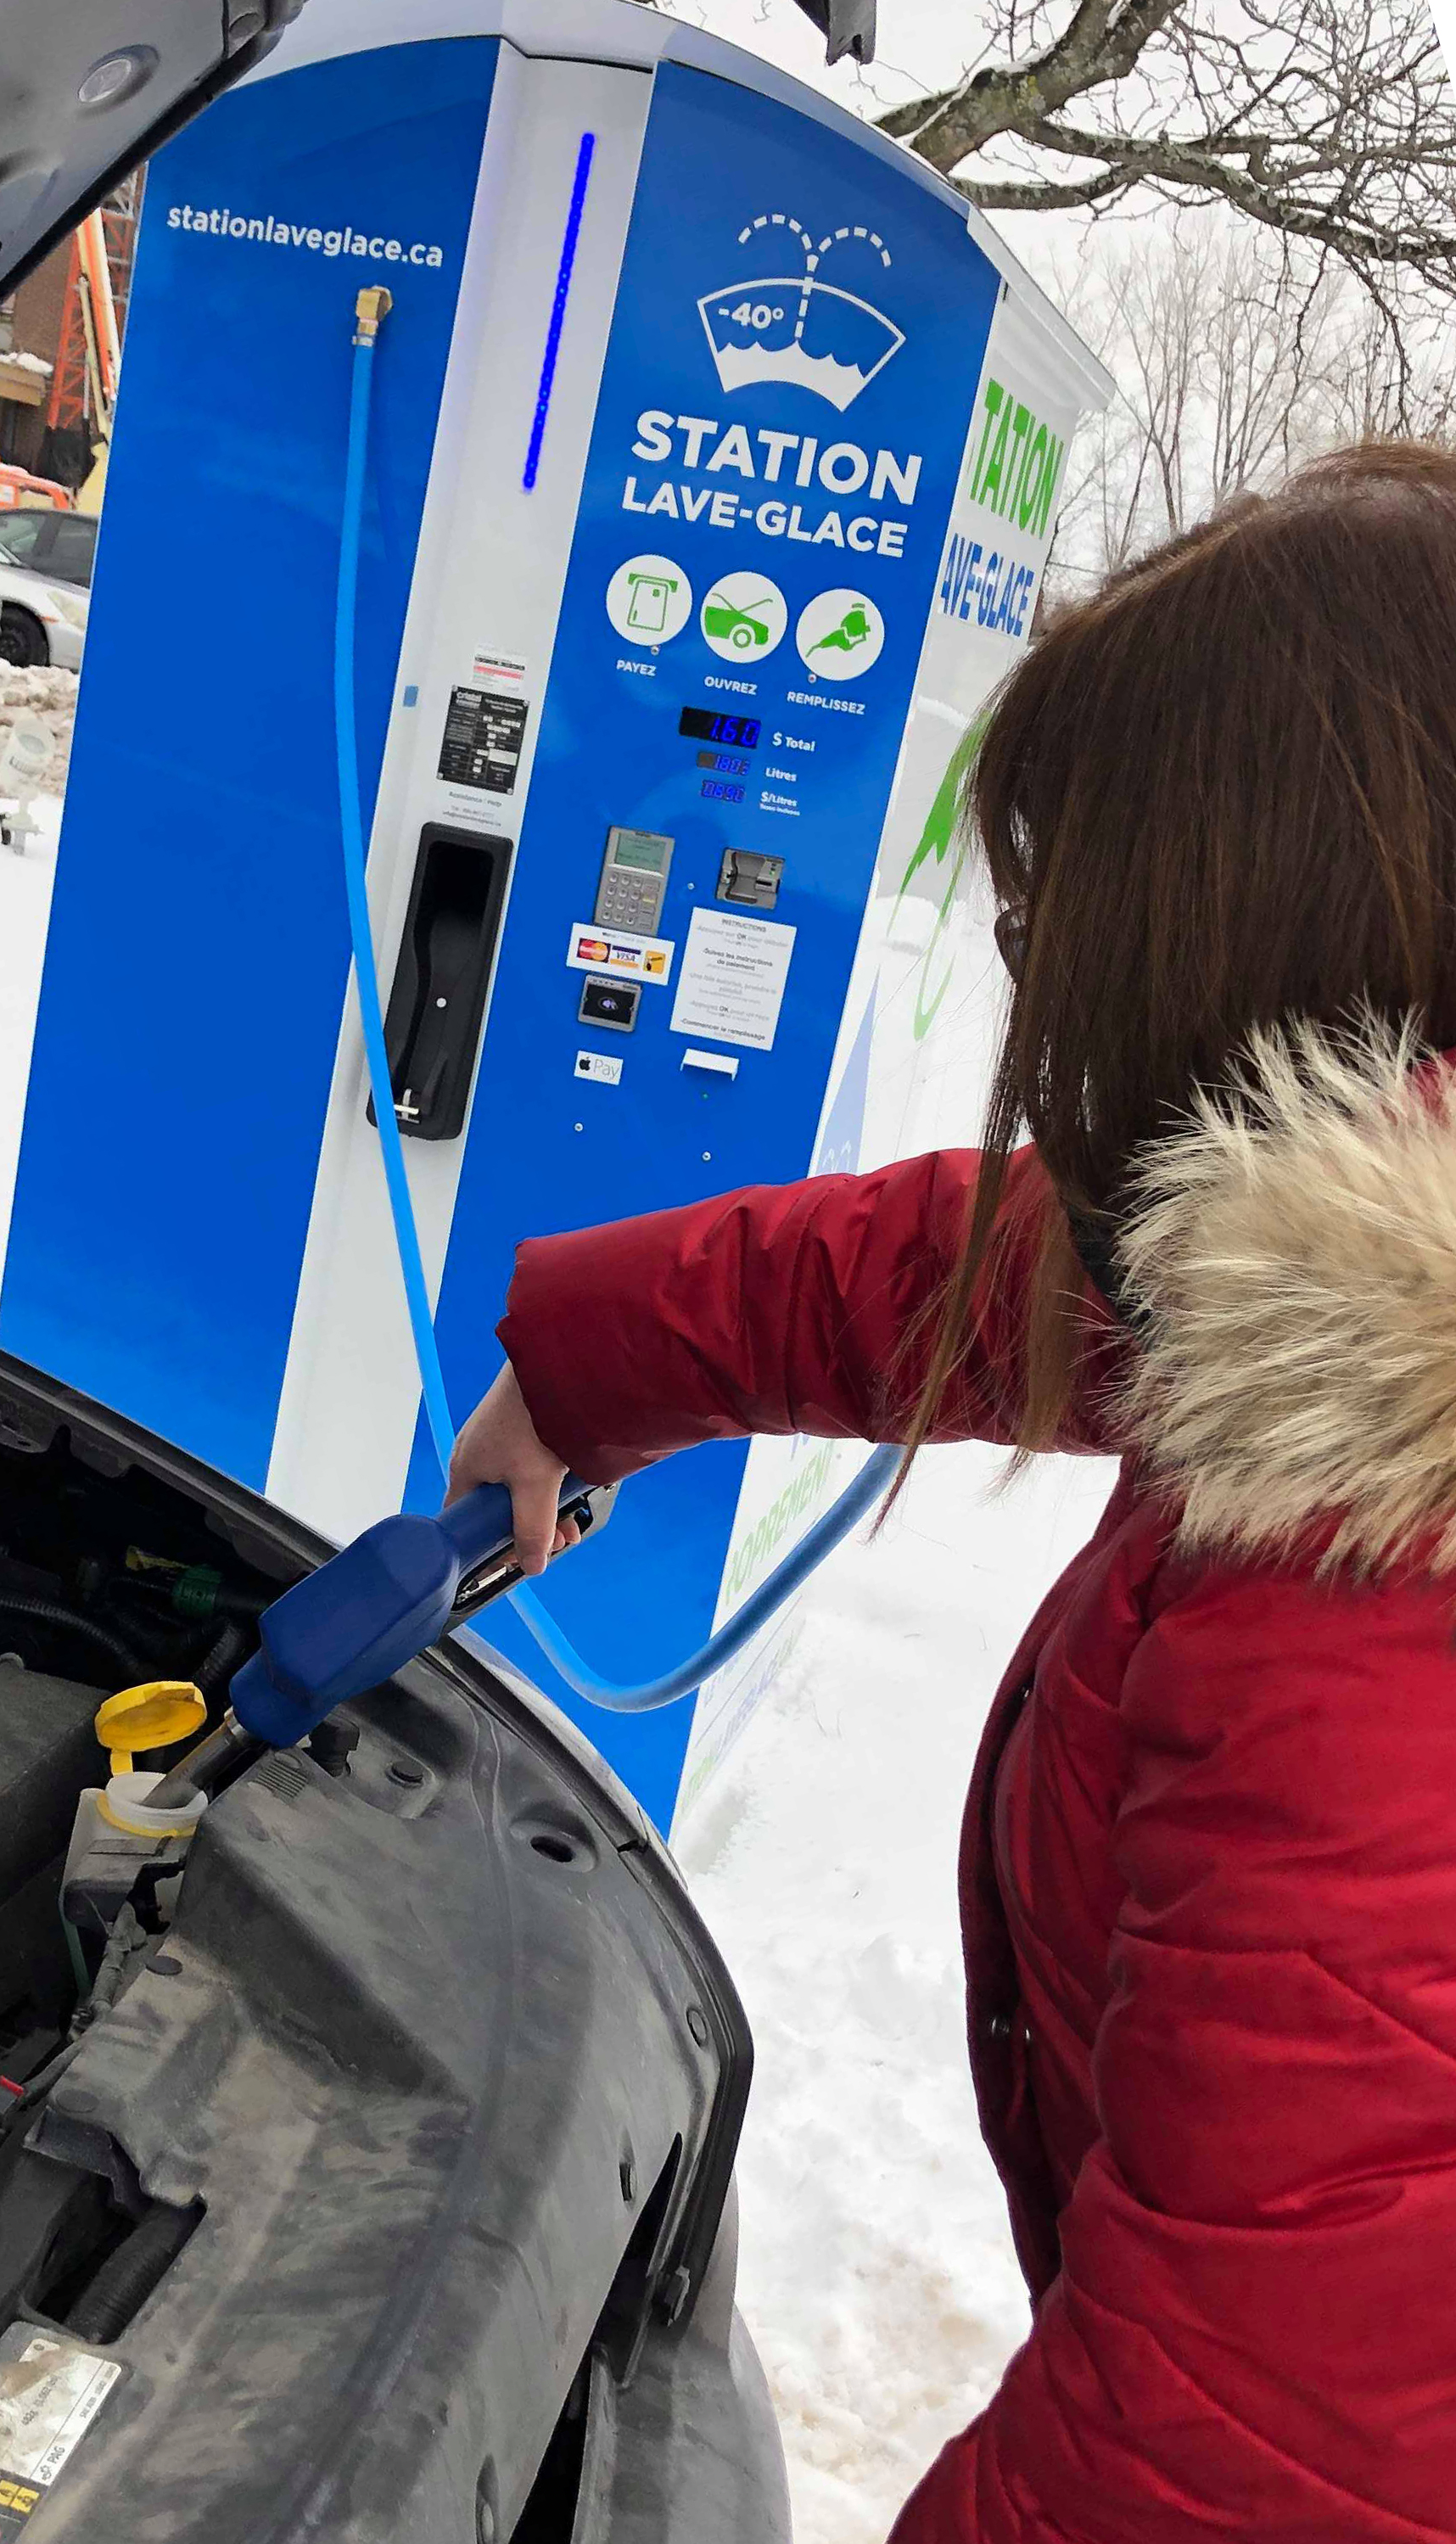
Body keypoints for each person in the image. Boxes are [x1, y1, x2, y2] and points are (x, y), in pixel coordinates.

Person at [446, 441, 1456, 2539]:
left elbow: (1217, 2470)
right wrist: (604, 1353)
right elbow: (1058, 1254)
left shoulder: (1372, 1631)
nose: (1038, 970)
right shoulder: (1386, 1274)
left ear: (1256, 941)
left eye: (1059, 903)